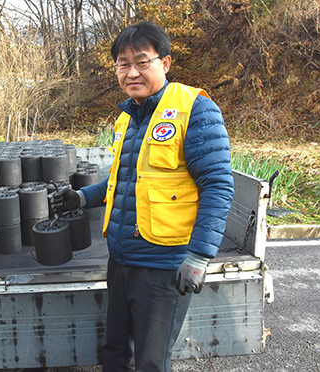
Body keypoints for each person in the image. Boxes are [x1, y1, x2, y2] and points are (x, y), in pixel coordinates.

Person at [51, 21, 234, 372]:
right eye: (123, 64)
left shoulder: (194, 109)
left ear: (164, 63)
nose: (131, 72)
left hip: (162, 264)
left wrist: (198, 256)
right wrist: (83, 197)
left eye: (142, 61)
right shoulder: (129, 117)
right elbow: (125, 180)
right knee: (116, 351)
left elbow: (217, 185)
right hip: (121, 259)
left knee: (150, 361)